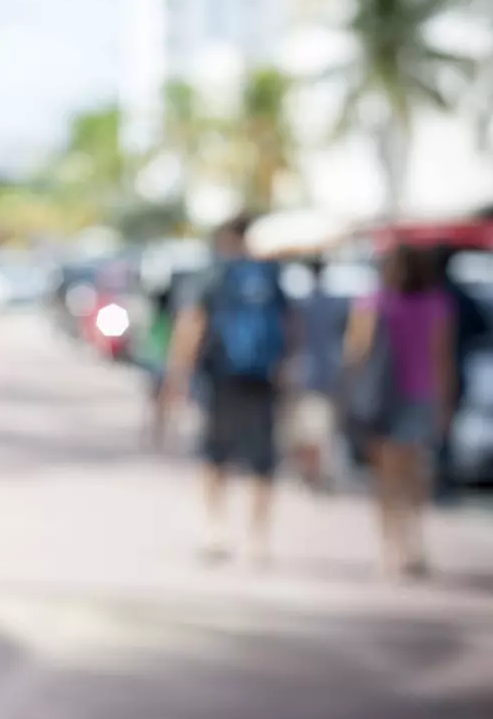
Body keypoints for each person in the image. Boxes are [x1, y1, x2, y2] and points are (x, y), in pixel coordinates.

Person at [166, 215, 293, 566]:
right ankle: (257, 538)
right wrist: (286, 375)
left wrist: (177, 375)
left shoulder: (214, 274)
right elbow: (289, 328)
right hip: (262, 378)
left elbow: (191, 324)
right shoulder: (270, 275)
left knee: (213, 455)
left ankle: (214, 530)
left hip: (221, 377)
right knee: (261, 462)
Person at [344, 245, 453, 579]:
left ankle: (390, 548)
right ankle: (415, 545)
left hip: (382, 398)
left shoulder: (371, 302)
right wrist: (445, 403)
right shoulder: (436, 304)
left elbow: (354, 353)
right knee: (414, 474)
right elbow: (442, 358)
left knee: (387, 478)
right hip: (421, 395)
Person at [432, 243, 490, 502]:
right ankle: (439, 479)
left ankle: (438, 479)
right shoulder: (456, 295)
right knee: (444, 428)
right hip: (450, 369)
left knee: (436, 429)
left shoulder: (435, 296)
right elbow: (482, 327)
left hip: (432, 373)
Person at [286, 257, 346, 492]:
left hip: (305, 370)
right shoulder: (335, 303)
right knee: (318, 427)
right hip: (326, 371)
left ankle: (310, 471)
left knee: (308, 427)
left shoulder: (303, 302)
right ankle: (313, 471)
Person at [138, 282, 177, 451]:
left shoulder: (157, 320)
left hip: (156, 364)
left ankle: (156, 432)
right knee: (165, 401)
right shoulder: (172, 320)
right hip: (166, 364)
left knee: (156, 401)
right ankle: (161, 432)